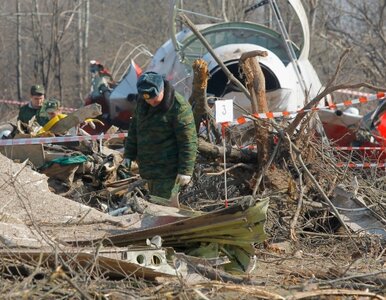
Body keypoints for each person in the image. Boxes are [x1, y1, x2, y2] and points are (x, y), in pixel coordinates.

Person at [123, 71, 198, 200]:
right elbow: (134, 129)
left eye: (154, 97)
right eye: (147, 98)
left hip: (168, 172)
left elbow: (188, 141)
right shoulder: (142, 102)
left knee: (162, 209)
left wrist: (186, 171)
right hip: (147, 170)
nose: (151, 101)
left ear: (162, 89)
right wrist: (128, 155)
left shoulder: (179, 107)